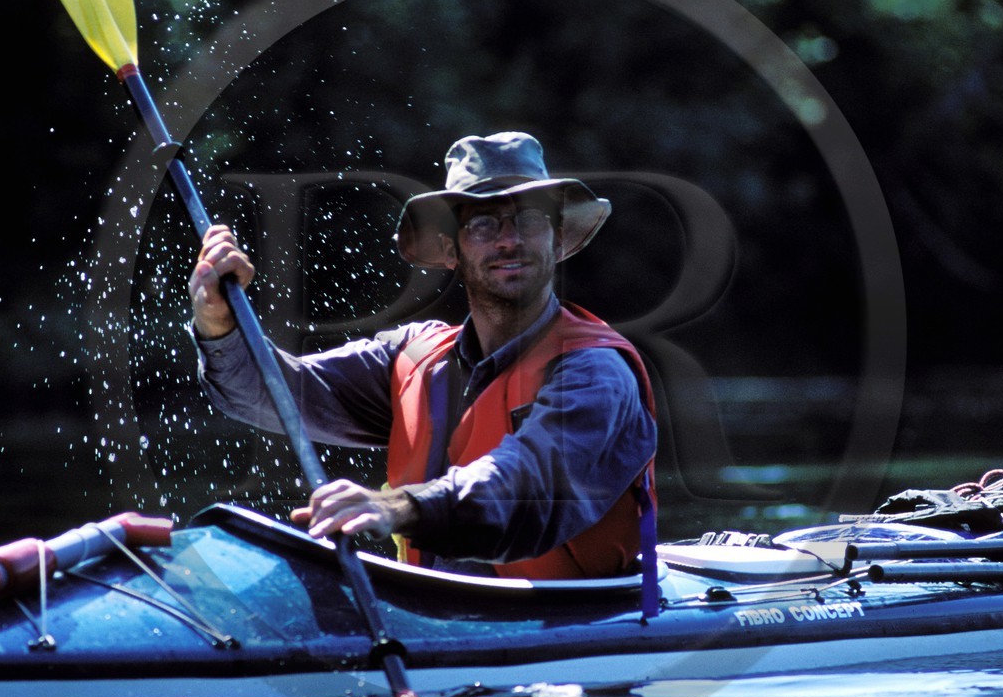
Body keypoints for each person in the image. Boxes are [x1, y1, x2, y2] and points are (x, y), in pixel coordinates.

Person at [189, 131, 657, 579]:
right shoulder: (412, 357)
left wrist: (394, 507)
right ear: (452, 249)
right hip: (437, 609)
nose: (509, 239)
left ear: (557, 241)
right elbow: (266, 393)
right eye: (483, 223)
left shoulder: (595, 372)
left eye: (530, 219)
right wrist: (218, 323)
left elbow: (525, 491)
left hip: (569, 619)